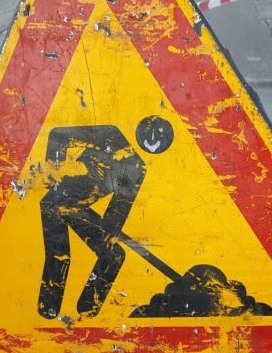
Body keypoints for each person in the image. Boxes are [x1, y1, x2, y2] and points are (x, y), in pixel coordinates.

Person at [38, 116, 173, 318]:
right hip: (72, 187)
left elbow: (117, 211)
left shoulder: (137, 170)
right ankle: (52, 304)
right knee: (56, 233)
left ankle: (86, 305)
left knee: (110, 252)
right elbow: (59, 135)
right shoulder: (110, 135)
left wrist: (110, 228)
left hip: (79, 194)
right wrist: (54, 170)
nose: (153, 140)